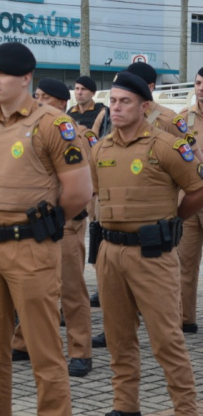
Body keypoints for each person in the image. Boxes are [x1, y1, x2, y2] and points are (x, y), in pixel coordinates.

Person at [0, 42, 92, 416]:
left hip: (31, 248)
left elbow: (79, 192)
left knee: (44, 351)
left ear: (25, 78)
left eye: (1, 74)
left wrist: (44, 227)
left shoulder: (53, 125)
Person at [91, 71, 203, 416]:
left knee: (166, 338)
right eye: (113, 101)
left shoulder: (166, 146)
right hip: (110, 253)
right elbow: (95, 196)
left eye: (125, 102)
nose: (116, 108)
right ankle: (125, 406)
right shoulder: (101, 149)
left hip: (152, 254)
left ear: (144, 107)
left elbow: (198, 189)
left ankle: (186, 408)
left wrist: (174, 219)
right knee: (118, 336)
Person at [8, 78, 94, 378]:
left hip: (66, 221)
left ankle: (80, 351)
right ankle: (22, 342)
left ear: (61, 103)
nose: (39, 100)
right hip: (35, 222)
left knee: (70, 288)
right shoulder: (29, 130)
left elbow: (86, 181)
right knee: (32, 287)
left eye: (45, 97)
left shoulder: (75, 133)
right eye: (37, 95)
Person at [178, 67, 203, 334]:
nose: (201, 88)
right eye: (198, 83)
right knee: (184, 263)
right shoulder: (184, 119)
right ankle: (186, 319)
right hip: (190, 200)